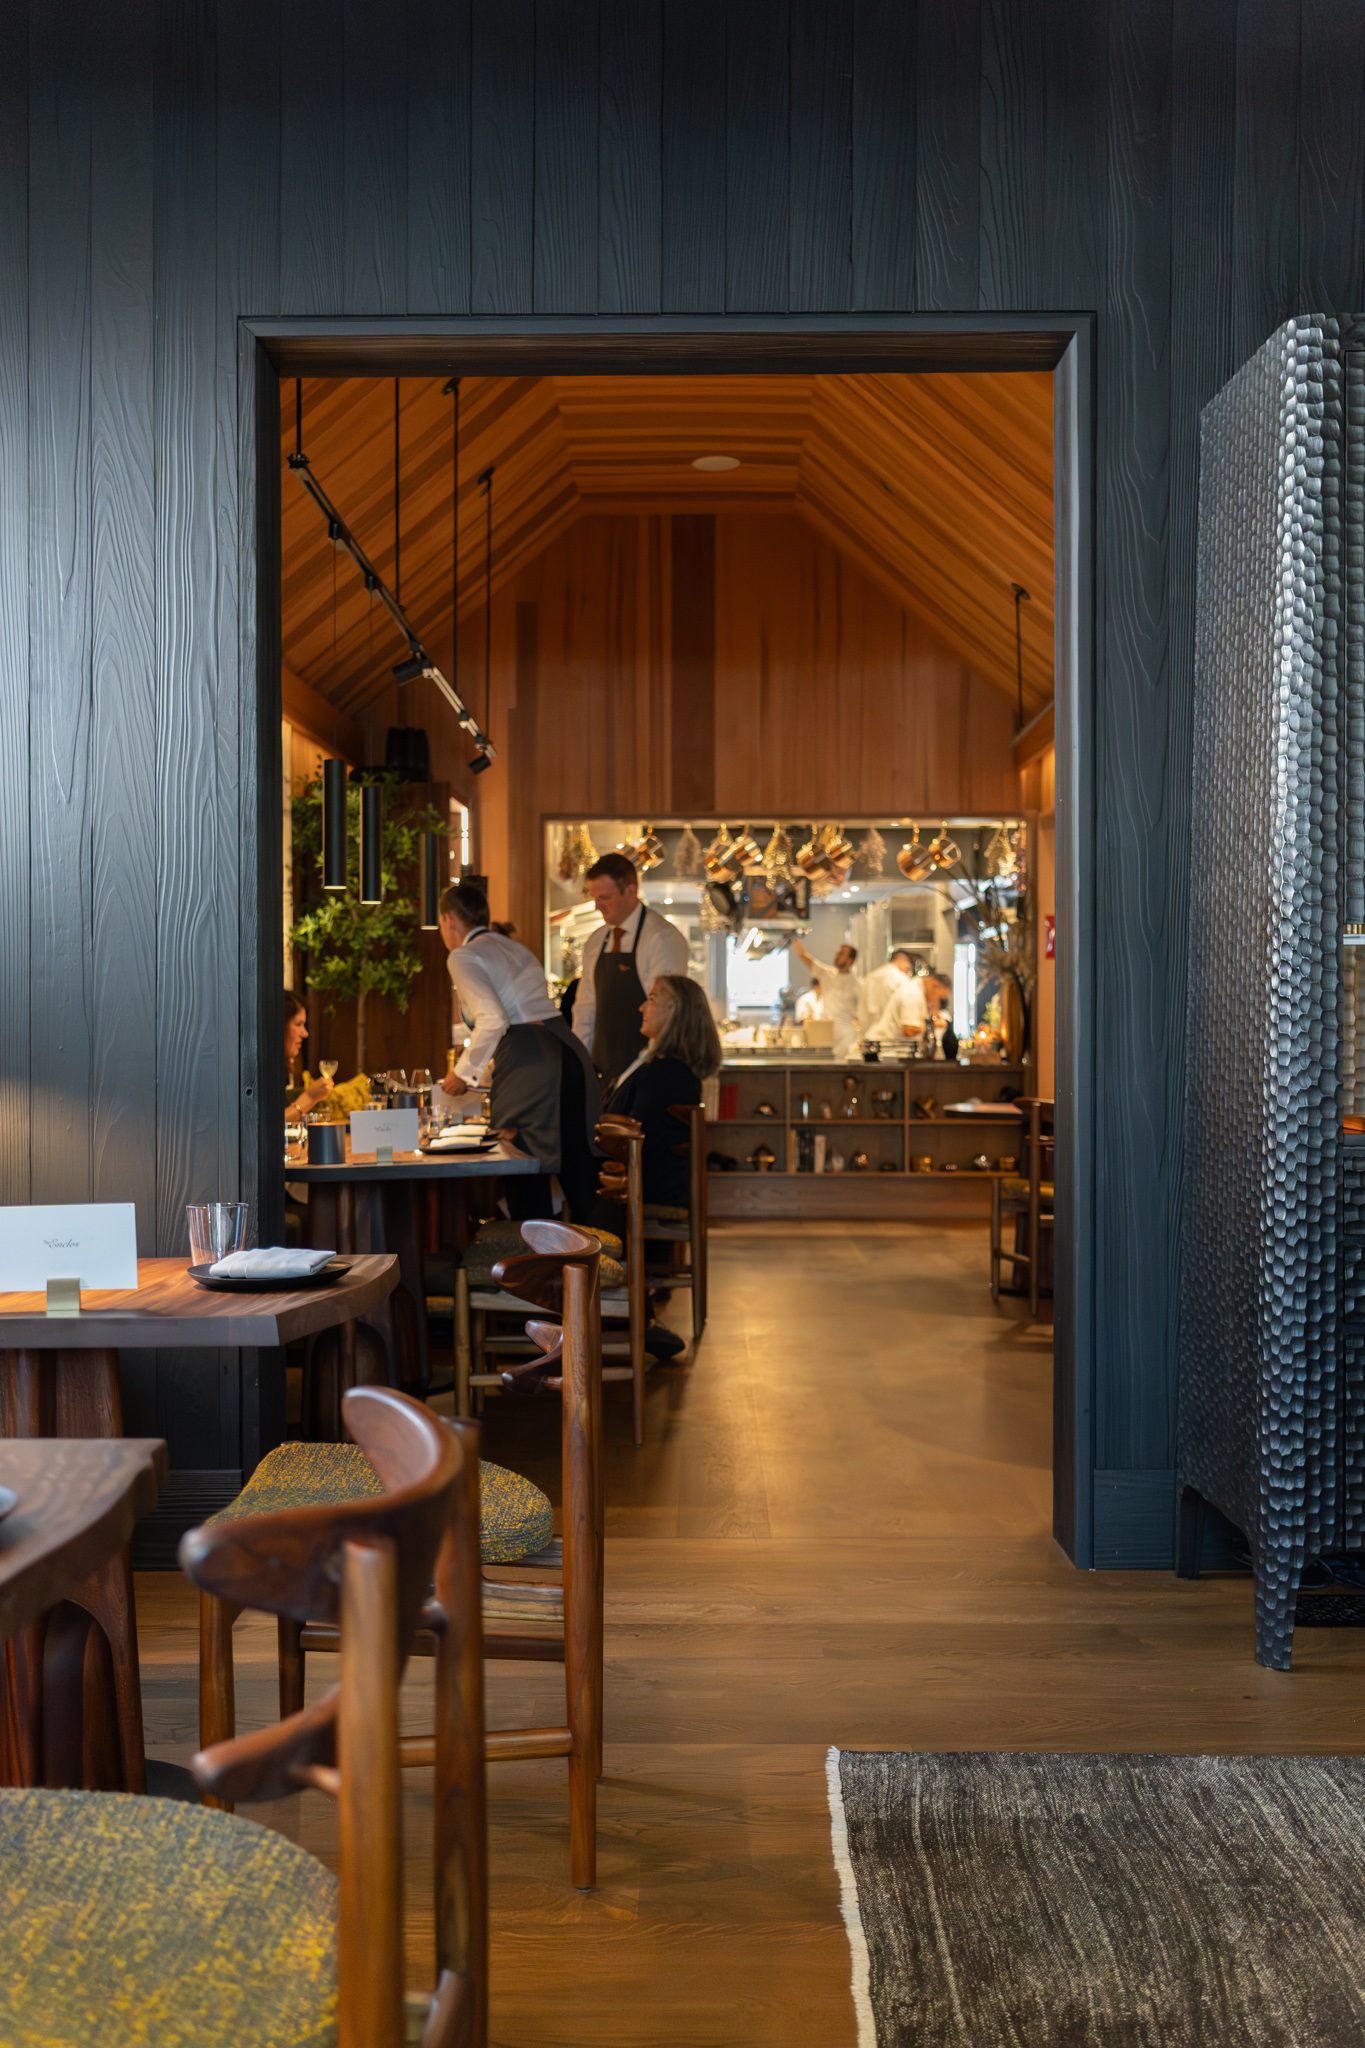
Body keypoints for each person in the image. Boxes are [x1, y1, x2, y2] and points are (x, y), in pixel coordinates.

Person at [435, 881, 602, 1220]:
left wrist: (462, 1074)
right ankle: (602, 1250)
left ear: (449, 919)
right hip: (567, 1051)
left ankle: (534, 1252)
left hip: (531, 1060)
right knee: (577, 1168)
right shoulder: (512, 947)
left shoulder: (462, 955)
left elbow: (494, 1019)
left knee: (524, 1166)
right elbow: (513, 1010)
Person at [594, 973, 722, 1360]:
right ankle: (628, 1313)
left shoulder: (665, 1071)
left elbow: (633, 1139)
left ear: (675, 1011)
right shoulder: (665, 1066)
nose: (641, 1006)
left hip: (647, 1182)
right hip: (650, 1176)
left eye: (651, 998)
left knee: (579, 1193)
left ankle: (611, 1311)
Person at [571, 851, 690, 1093]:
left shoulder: (662, 938)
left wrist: (636, 1074)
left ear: (630, 890)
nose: (597, 906)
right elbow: (585, 1009)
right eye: (595, 898)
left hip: (648, 1075)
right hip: (601, 1075)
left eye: (605, 898)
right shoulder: (596, 941)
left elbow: (664, 1015)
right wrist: (578, 1066)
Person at [791, 935, 862, 1058]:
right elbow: (803, 955)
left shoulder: (857, 984)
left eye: (841, 953)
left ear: (850, 960)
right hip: (825, 1034)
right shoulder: (827, 974)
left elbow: (862, 1014)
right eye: (837, 953)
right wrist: (793, 935)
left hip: (846, 1037)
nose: (837, 955)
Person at [284, 990, 334, 1114]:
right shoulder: (259, 1073)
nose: (305, 1033)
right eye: (298, 1024)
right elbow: (274, 1122)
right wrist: (310, 1097)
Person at [859, 948, 917, 1033]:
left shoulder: (871, 976)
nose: (908, 970)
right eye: (907, 967)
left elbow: (861, 1006)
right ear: (900, 960)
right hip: (890, 1032)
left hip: (868, 1029)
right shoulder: (901, 979)